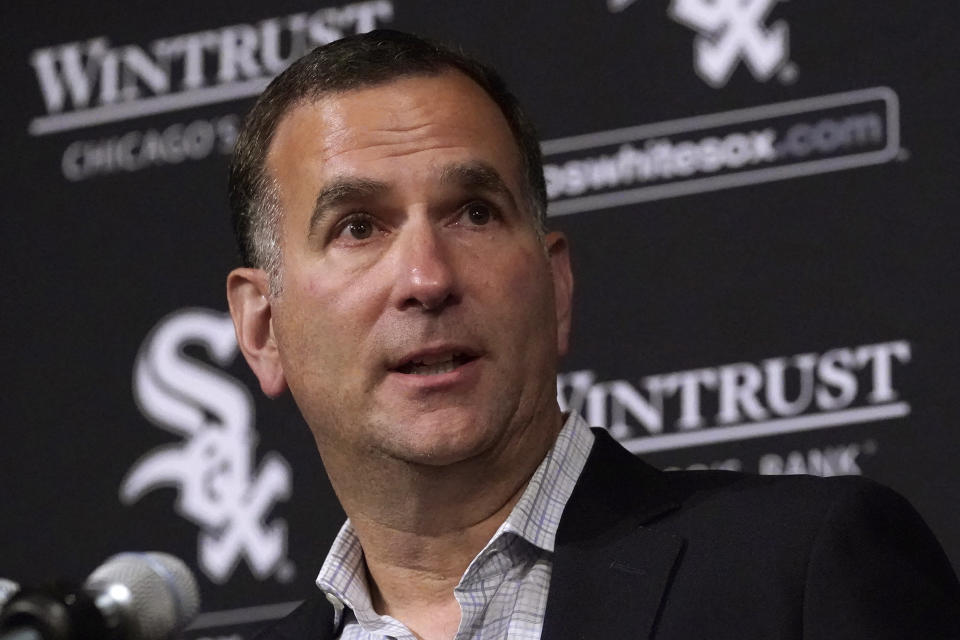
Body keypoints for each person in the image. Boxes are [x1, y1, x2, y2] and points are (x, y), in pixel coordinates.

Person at [225, 30, 960, 640]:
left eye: (474, 214)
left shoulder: (799, 573)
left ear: (556, 287)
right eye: (358, 227)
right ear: (263, 329)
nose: (426, 277)